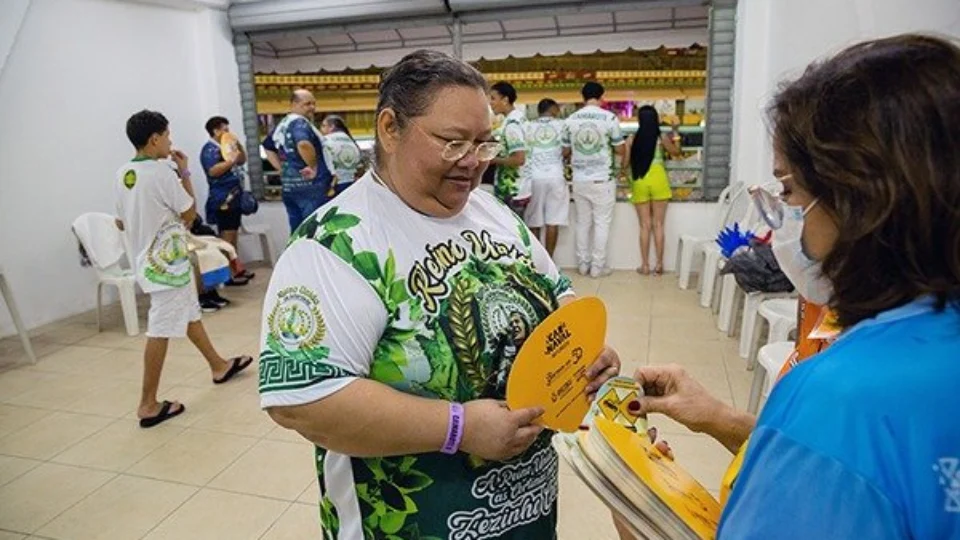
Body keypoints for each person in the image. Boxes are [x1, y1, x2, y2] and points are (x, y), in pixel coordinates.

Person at [259, 50, 621, 539]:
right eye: (453, 143)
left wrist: (584, 353)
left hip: (524, 513)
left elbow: (559, 294)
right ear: (390, 128)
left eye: (483, 143)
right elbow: (302, 400)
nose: (472, 164)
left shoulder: (493, 213)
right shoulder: (335, 244)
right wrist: (459, 428)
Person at [624, 34, 960, 539]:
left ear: (859, 200)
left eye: (787, 190)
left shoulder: (840, 397)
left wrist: (640, 513)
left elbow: (840, 456)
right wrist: (722, 419)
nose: (782, 224)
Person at [115, 110, 253, 428]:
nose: (171, 141)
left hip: (146, 261)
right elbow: (189, 213)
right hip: (167, 265)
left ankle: (218, 365)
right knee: (160, 328)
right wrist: (185, 172)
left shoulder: (123, 173)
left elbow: (121, 220)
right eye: (167, 135)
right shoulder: (162, 172)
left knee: (189, 311)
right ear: (154, 139)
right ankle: (148, 404)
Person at [564, 82, 625, 278]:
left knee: (583, 223)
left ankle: (582, 264)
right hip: (602, 180)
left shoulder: (571, 120)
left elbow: (565, 151)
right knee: (601, 223)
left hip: (579, 179)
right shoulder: (610, 118)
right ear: (602, 97)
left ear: (582, 97)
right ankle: (597, 267)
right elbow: (620, 149)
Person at [262, 89, 334, 232]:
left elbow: (267, 146)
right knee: (314, 232)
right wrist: (313, 167)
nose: (312, 108)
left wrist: (281, 169)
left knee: (297, 231)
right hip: (310, 188)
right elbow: (303, 144)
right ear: (294, 104)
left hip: (290, 187)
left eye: (314, 104)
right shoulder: (299, 124)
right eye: (307, 104)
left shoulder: (283, 125)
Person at [623, 106, 681, 276]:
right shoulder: (660, 137)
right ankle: (660, 265)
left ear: (639, 120)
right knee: (659, 225)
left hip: (640, 180)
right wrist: (675, 132)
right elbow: (676, 152)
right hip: (659, 180)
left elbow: (625, 164)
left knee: (644, 225)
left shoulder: (632, 139)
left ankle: (645, 265)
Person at [199, 116, 253, 286]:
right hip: (223, 198)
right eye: (225, 129)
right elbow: (213, 171)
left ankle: (235, 268)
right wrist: (230, 161)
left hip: (234, 197)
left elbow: (242, 160)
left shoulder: (227, 146)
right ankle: (227, 274)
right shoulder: (210, 150)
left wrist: (239, 147)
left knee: (233, 234)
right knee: (226, 236)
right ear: (215, 131)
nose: (228, 132)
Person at [523, 98, 569, 257]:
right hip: (555, 176)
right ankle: (550, 260)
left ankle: (537, 261)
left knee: (533, 221)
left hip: (534, 177)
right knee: (553, 221)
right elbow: (567, 150)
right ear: (554, 109)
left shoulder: (528, 126)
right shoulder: (562, 125)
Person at [488, 81, 529, 213]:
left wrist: (492, 160)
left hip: (512, 190)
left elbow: (518, 159)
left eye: (493, 98)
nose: (490, 103)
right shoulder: (518, 119)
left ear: (505, 100)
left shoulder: (512, 125)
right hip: (519, 187)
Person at [319, 114, 364, 198]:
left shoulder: (325, 141)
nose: (321, 129)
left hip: (332, 185)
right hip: (351, 184)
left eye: (323, 126)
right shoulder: (352, 142)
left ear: (331, 127)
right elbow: (360, 167)